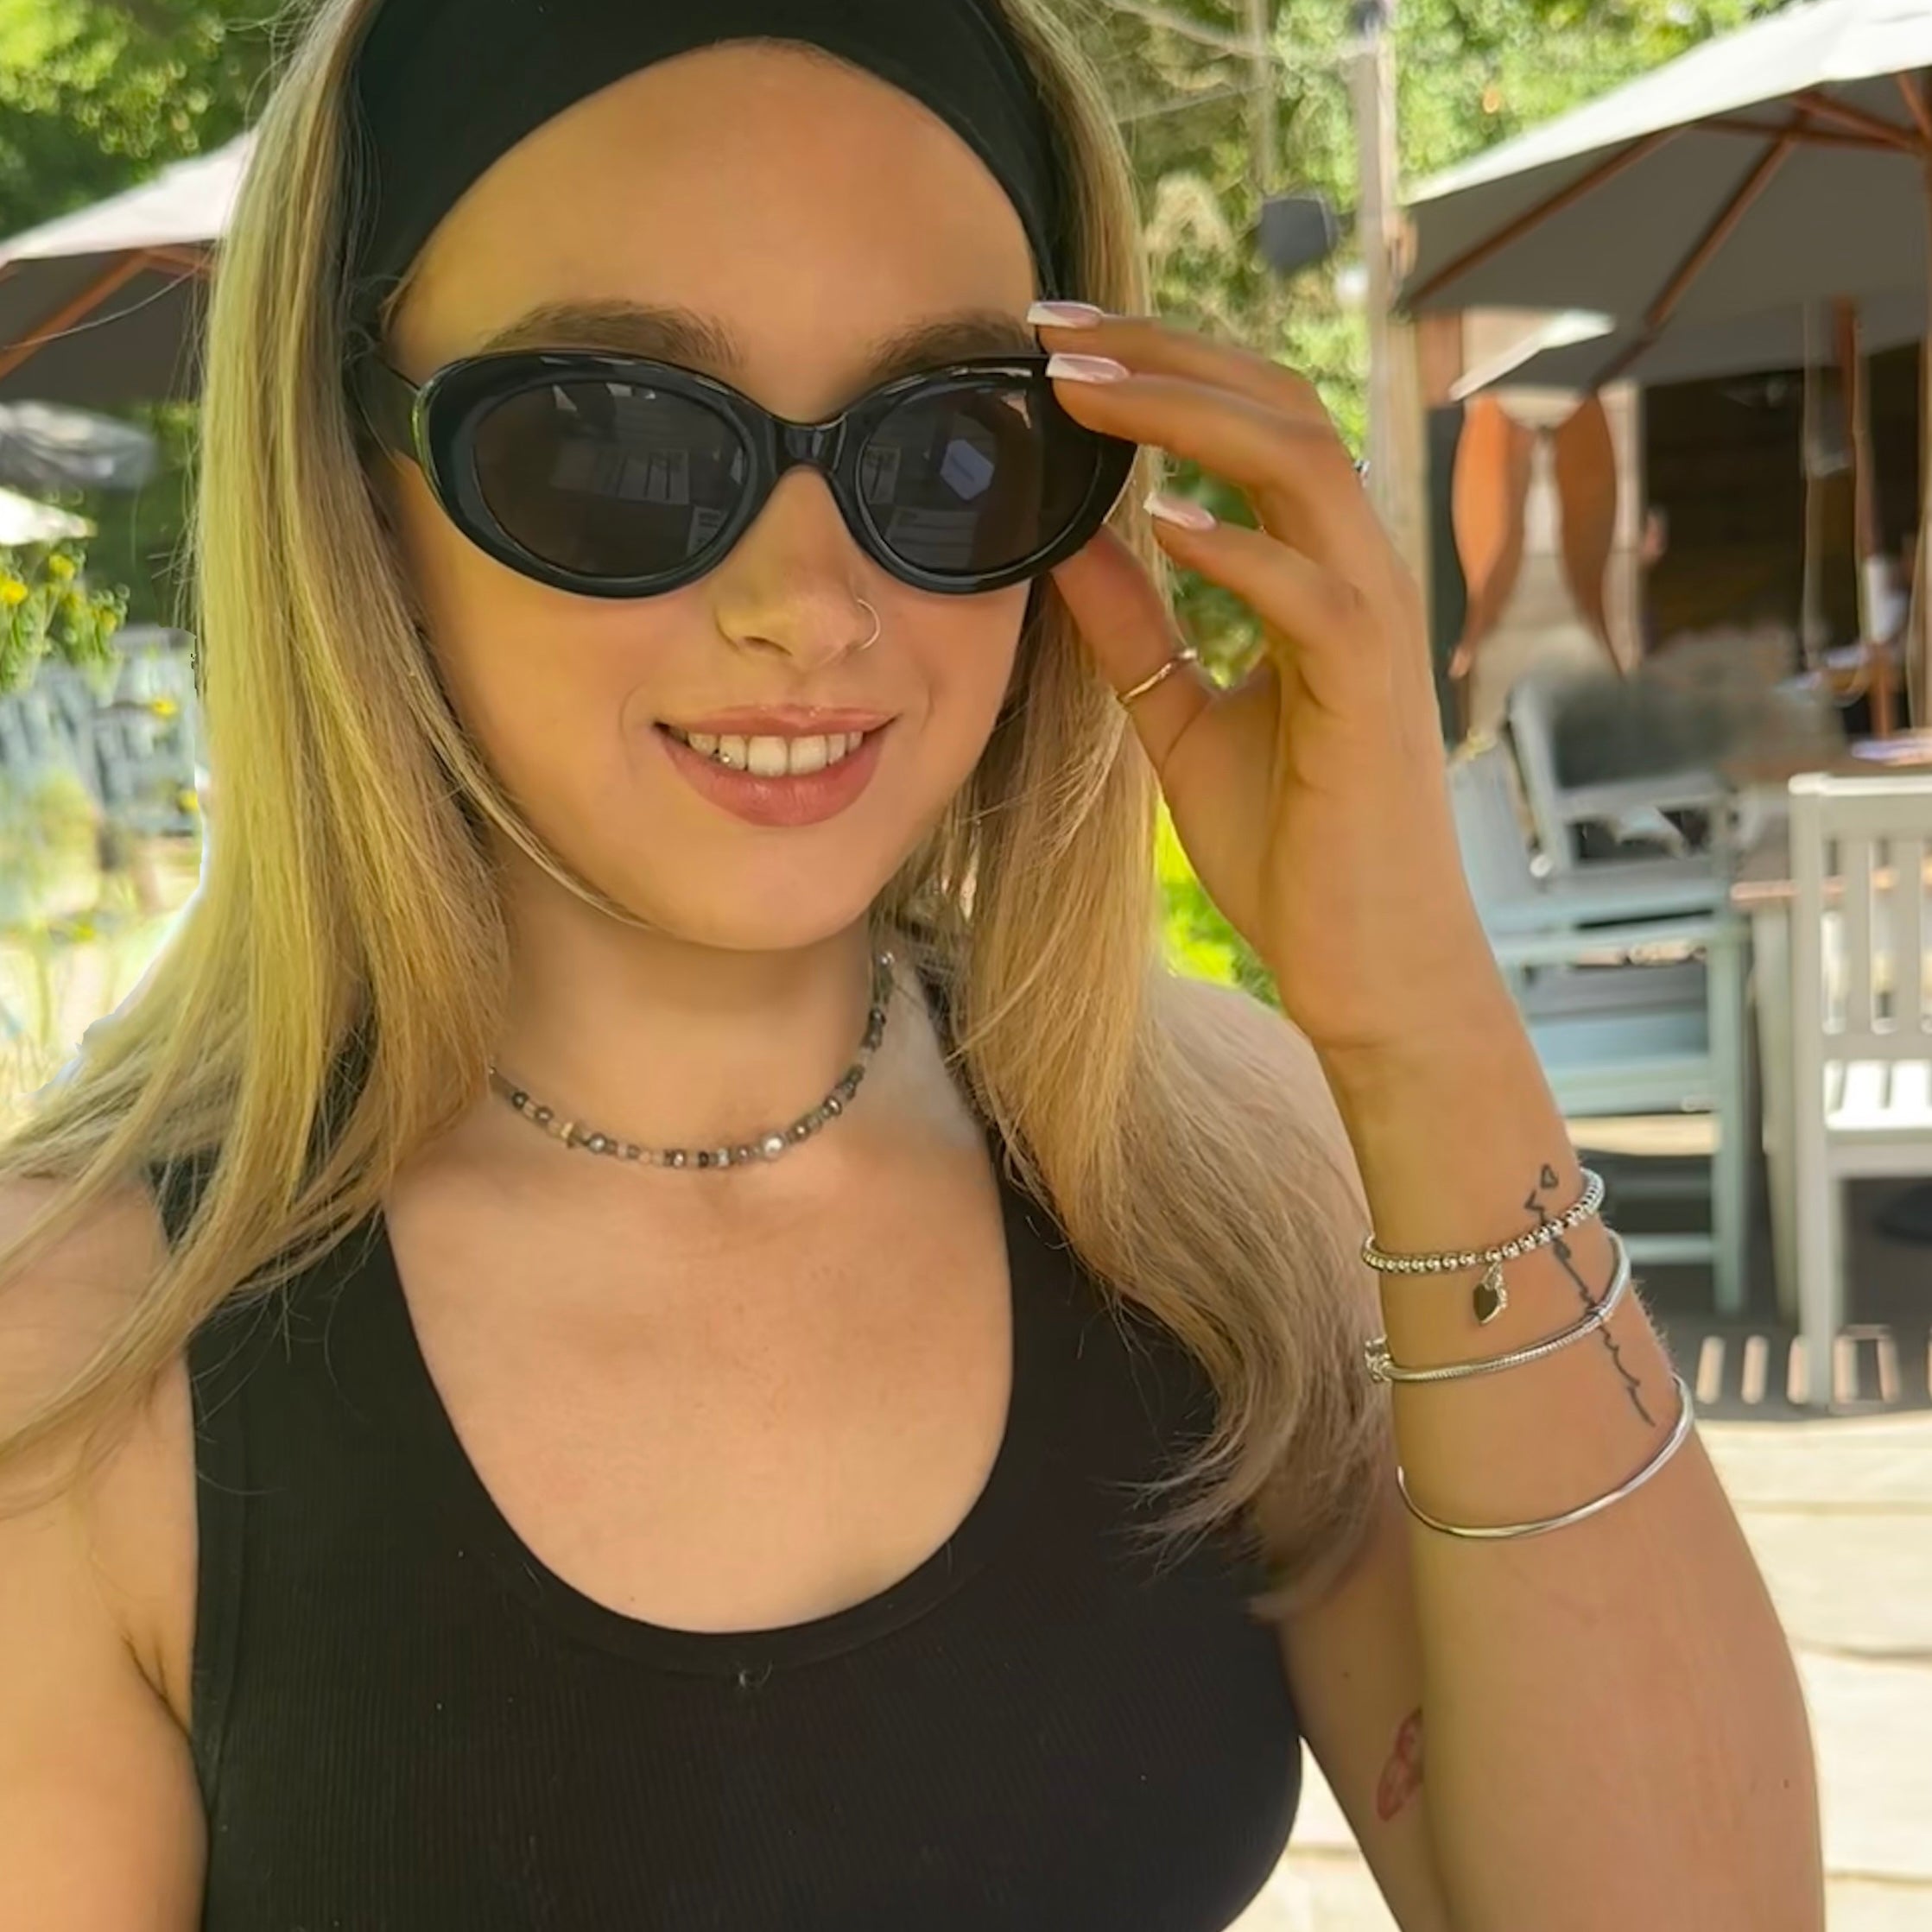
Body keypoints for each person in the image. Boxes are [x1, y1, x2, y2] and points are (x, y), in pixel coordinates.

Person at [0, 2, 1821, 1927]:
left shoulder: (1209, 1178)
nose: (809, 603)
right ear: (355, 480)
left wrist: (1415, 1023)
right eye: (618, 444)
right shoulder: (77, 1365)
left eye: (949, 444)